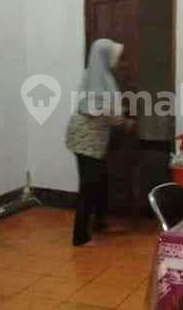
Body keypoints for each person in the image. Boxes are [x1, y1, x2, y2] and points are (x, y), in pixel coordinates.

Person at [65, 38, 127, 246]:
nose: (117, 60)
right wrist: (120, 120)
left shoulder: (101, 77)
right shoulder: (95, 80)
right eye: (115, 56)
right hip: (86, 138)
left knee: (100, 181)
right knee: (88, 185)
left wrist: (118, 117)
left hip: (95, 138)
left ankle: (99, 223)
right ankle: (80, 237)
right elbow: (95, 110)